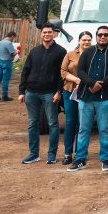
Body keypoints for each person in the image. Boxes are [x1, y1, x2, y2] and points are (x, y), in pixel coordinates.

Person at [69, 25, 108, 172]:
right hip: (86, 97)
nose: (103, 37)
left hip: (105, 98)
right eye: (100, 35)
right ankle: (80, 159)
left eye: (106, 35)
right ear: (96, 36)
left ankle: (105, 160)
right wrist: (92, 83)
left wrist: (101, 84)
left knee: (105, 129)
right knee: (83, 129)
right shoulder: (88, 52)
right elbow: (80, 70)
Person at [17, 23, 67, 165]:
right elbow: (25, 71)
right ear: (41, 34)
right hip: (31, 93)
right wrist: (22, 91)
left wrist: (59, 92)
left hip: (50, 94)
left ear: (54, 34)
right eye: (44, 32)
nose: (47, 34)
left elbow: (61, 75)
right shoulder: (34, 51)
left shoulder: (60, 52)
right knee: (33, 123)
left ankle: (52, 154)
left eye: (49, 32)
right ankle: (34, 153)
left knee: (53, 123)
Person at [59, 31, 92, 165]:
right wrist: (78, 80)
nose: (86, 42)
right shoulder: (70, 54)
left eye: (89, 40)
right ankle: (68, 154)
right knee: (71, 122)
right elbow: (63, 71)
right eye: (84, 39)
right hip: (70, 92)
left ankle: (80, 153)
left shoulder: (94, 54)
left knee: (83, 124)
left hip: (87, 92)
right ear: (79, 41)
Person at [0, 30, 17, 101]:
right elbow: (12, 53)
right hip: (7, 62)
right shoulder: (8, 43)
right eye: (14, 38)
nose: (13, 39)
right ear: (12, 36)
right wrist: (16, 52)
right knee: (6, 80)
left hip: (0, 61)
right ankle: (4, 96)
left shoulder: (1, 42)